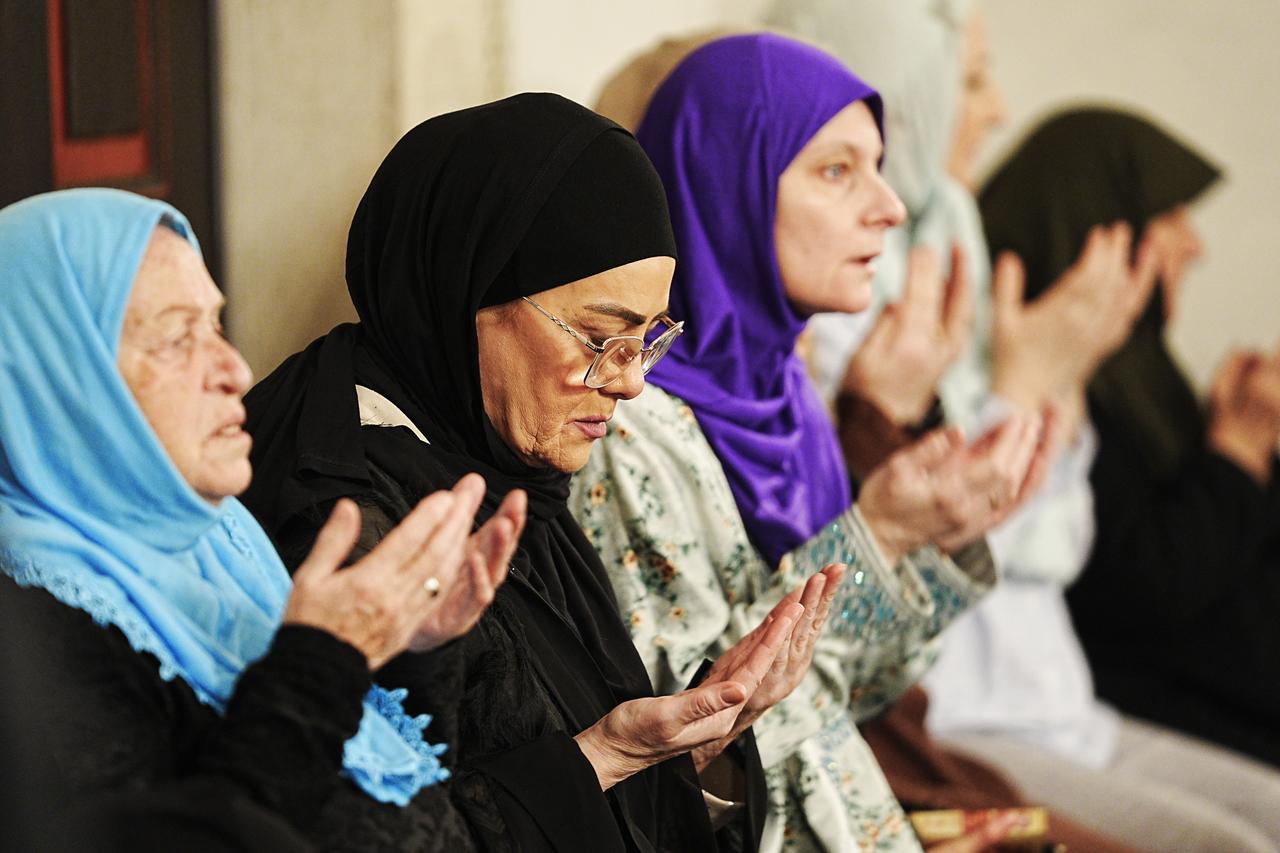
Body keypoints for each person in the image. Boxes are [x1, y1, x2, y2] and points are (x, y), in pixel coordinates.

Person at [242, 92, 841, 853]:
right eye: (600, 336)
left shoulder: (505, 471)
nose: (630, 381)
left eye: (652, 338)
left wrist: (694, 741)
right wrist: (604, 756)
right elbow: (369, 827)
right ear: (467, 289)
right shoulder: (343, 510)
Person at [774, 2, 1280, 850]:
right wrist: (1025, 390)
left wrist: (1047, 392)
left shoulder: (953, 278)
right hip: (964, 712)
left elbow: (1052, 551)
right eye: (970, 80)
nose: (997, 110)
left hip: (1058, 705)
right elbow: (946, 570)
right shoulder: (845, 321)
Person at [572, 33, 1060, 853]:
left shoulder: (785, 393)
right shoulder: (626, 418)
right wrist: (884, 536)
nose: (891, 206)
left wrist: (934, 537)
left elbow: (855, 694)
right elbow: (700, 736)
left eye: (878, 166)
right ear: (727, 187)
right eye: (837, 171)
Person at [0, 189, 521, 849]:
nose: (234, 368)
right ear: (59, 383)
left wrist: (413, 645)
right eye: (175, 338)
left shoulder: (223, 539)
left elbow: (390, 799)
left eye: (216, 325)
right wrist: (326, 659)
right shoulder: (36, 633)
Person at [982, 104, 1280, 814]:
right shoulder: (1049, 382)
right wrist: (1236, 452)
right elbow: (1146, 587)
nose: (1193, 244)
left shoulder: (1143, 377)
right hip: (1108, 711)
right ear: (1104, 225)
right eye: (1170, 213)